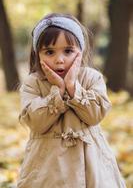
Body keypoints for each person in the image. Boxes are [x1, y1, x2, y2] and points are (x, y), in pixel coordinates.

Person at [17, 13, 126, 188]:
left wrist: (73, 87)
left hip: (92, 166)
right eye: (49, 52)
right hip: (47, 170)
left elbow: (95, 115)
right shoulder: (33, 83)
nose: (59, 60)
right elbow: (35, 122)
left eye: (68, 51)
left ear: (80, 51)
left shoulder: (91, 78)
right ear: (38, 55)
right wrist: (57, 92)